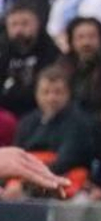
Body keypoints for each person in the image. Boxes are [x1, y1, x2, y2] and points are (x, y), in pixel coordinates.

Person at [11, 62, 90, 194]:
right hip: (26, 180)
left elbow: (65, 160)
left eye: (58, 92)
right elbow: (17, 155)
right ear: (36, 94)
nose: (51, 98)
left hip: (63, 182)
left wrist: (27, 182)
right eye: (45, 92)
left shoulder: (78, 123)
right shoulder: (27, 122)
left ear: (68, 94)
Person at [60, 15, 101, 112]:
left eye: (92, 37)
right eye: (80, 37)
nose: (86, 43)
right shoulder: (63, 67)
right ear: (71, 42)